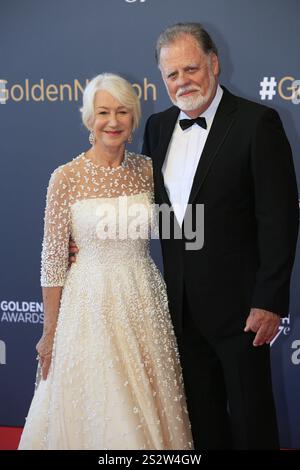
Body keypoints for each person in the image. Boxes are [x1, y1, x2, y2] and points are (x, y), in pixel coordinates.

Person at [141, 23, 299, 449]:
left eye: (190, 68)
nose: (182, 81)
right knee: (201, 423)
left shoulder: (256, 122)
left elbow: (280, 218)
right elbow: (148, 209)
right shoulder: (156, 128)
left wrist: (269, 300)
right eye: (171, 74)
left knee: (251, 422)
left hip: (242, 310)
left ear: (213, 63)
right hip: (180, 308)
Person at [18, 73, 193, 450]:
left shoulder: (149, 171)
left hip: (142, 299)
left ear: (133, 121)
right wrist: (50, 332)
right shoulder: (65, 177)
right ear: (88, 120)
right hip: (88, 306)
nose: (112, 121)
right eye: (103, 112)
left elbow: (184, 230)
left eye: (122, 112)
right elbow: (52, 259)